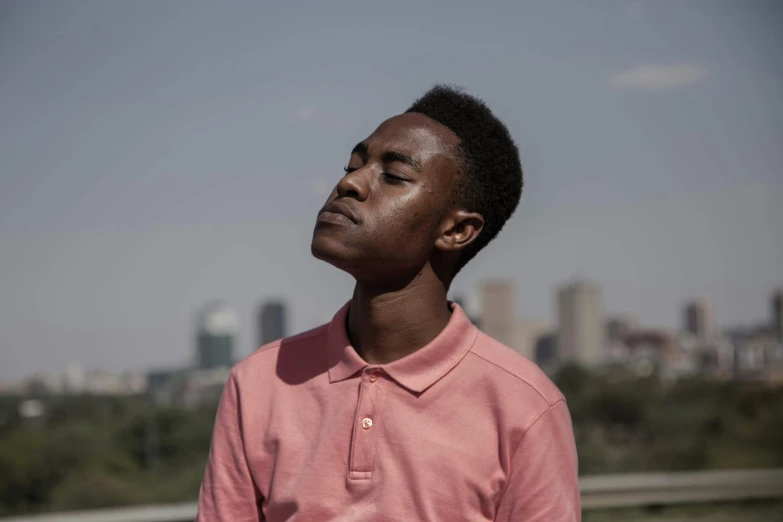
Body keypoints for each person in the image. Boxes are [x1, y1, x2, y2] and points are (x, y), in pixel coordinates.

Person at [196, 85, 580, 521]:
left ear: (456, 231)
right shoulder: (258, 384)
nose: (349, 182)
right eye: (353, 165)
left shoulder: (524, 407)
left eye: (393, 177)